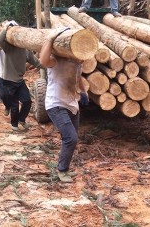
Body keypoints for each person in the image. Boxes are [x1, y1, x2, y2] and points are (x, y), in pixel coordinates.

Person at [39, 27, 89, 183]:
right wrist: (50, 38)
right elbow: (42, 60)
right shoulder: (56, 60)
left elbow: (78, 76)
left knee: (70, 138)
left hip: (72, 104)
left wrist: (83, 91)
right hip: (56, 104)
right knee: (71, 138)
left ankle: (64, 167)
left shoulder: (76, 61)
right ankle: (62, 170)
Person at [0, 20, 41, 131]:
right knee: (14, 105)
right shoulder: (8, 48)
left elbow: (36, 62)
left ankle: (21, 119)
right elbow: (0, 40)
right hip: (8, 81)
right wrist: (6, 28)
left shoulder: (25, 50)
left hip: (19, 81)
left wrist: (49, 67)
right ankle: (14, 124)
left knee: (27, 101)